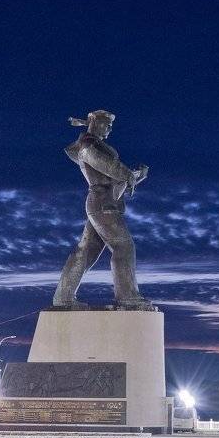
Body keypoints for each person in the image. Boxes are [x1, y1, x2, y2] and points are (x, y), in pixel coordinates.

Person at [52, 110, 151, 309]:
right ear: (94, 123)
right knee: (124, 246)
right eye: (107, 124)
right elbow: (109, 167)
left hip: (104, 202)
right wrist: (129, 175)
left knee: (86, 252)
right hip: (103, 204)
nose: (110, 129)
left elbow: (113, 176)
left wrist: (134, 176)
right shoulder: (87, 145)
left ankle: (63, 298)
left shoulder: (92, 144)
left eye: (111, 126)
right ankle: (127, 297)